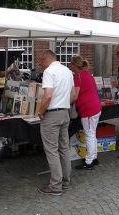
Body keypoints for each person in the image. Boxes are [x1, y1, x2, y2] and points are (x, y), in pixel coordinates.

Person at [37, 50, 74, 195]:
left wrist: (41, 111)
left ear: (46, 59)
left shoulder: (49, 71)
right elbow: (72, 95)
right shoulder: (67, 71)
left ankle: (56, 185)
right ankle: (65, 181)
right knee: (64, 148)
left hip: (52, 114)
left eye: (41, 61)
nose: (41, 65)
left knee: (52, 150)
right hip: (65, 112)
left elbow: (48, 95)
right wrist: (63, 103)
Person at [69, 56, 101, 170]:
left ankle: (88, 162)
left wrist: (66, 102)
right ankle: (94, 157)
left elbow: (75, 96)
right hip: (95, 107)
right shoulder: (88, 74)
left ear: (74, 65)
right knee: (93, 133)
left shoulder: (78, 77)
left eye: (70, 64)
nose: (70, 66)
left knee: (90, 134)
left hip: (88, 110)